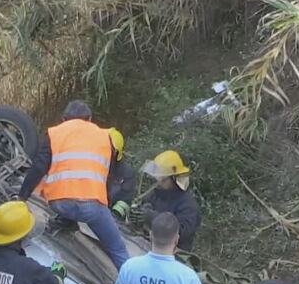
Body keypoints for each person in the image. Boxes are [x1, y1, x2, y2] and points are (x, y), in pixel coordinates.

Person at [18, 100, 129, 269]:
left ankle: (66, 220)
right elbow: (107, 176)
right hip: (92, 207)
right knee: (118, 249)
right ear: (90, 119)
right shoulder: (105, 136)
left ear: (64, 119)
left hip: (59, 204)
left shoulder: (54, 133)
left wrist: (22, 197)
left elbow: (39, 167)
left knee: (68, 199)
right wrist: (105, 206)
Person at [132, 150, 201, 251]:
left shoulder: (188, 205)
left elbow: (182, 233)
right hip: (149, 247)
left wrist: (153, 218)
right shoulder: (155, 193)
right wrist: (138, 214)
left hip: (175, 255)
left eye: (162, 178)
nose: (158, 182)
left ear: (174, 178)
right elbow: (144, 208)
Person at [106, 127, 136, 220]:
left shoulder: (127, 173)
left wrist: (114, 215)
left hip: (111, 218)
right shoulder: (91, 166)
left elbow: (125, 200)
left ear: (115, 152)